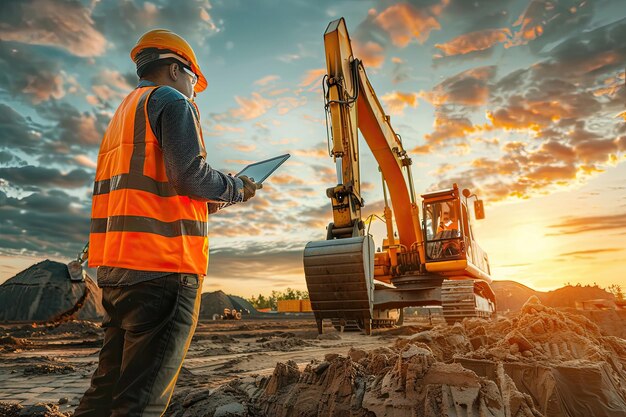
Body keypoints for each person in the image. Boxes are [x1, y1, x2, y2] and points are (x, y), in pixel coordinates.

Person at [74, 29, 260, 417]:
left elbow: (160, 192)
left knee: (105, 392)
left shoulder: (123, 115)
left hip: (118, 270)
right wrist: (237, 187)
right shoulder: (172, 101)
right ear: (176, 70)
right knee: (141, 402)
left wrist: (211, 202)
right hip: (164, 270)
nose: (195, 89)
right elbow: (190, 176)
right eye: (195, 78)